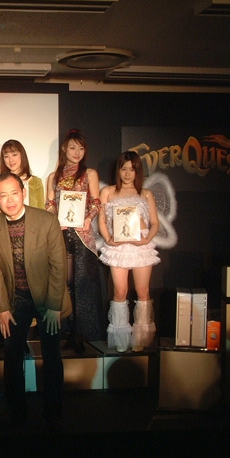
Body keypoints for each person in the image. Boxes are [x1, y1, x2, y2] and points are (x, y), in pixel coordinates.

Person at [0, 172, 67, 429]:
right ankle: (16, 411)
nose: (10, 200)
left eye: (14, 193)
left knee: (51, 353)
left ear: (23, 193)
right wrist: (2, 307)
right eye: (3, 195)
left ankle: (53, 410)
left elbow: (58, 266)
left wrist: (54, 306)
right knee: (12, 354)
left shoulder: (47, 221)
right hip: (14, 298)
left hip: (46, 297)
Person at [45, 129, 105, 352]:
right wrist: (55, 221)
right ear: (64, 149)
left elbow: (96, 203)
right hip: (60, 236)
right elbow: (50, 205)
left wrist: (88, 220)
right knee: (63, 286)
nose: (77, 152)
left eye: (81, 148)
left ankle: (83, 335)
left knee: (83, 286)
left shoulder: (89, 173)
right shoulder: (53, 177)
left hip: (82, 236)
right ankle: (65, 334)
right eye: (72, 147)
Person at [98, 151, 160, 353]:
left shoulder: (145, 193)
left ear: (137, 171)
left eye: (132, 169)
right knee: (119, 291)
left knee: (143, 292)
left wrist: (146, 239)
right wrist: (108, 238)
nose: (127, 173)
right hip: (118, 246)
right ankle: (121, 338)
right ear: (118, 170)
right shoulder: (107, 191)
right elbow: (101, 220)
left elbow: (155, 223)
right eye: (123, 169)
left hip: (141, 246)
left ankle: (140, 338)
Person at [0, 139, 45, 214]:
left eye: (14, 155)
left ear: (22, 155)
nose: (11, 160)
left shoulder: (35, 182)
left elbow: (41, 211)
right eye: (6, 156)